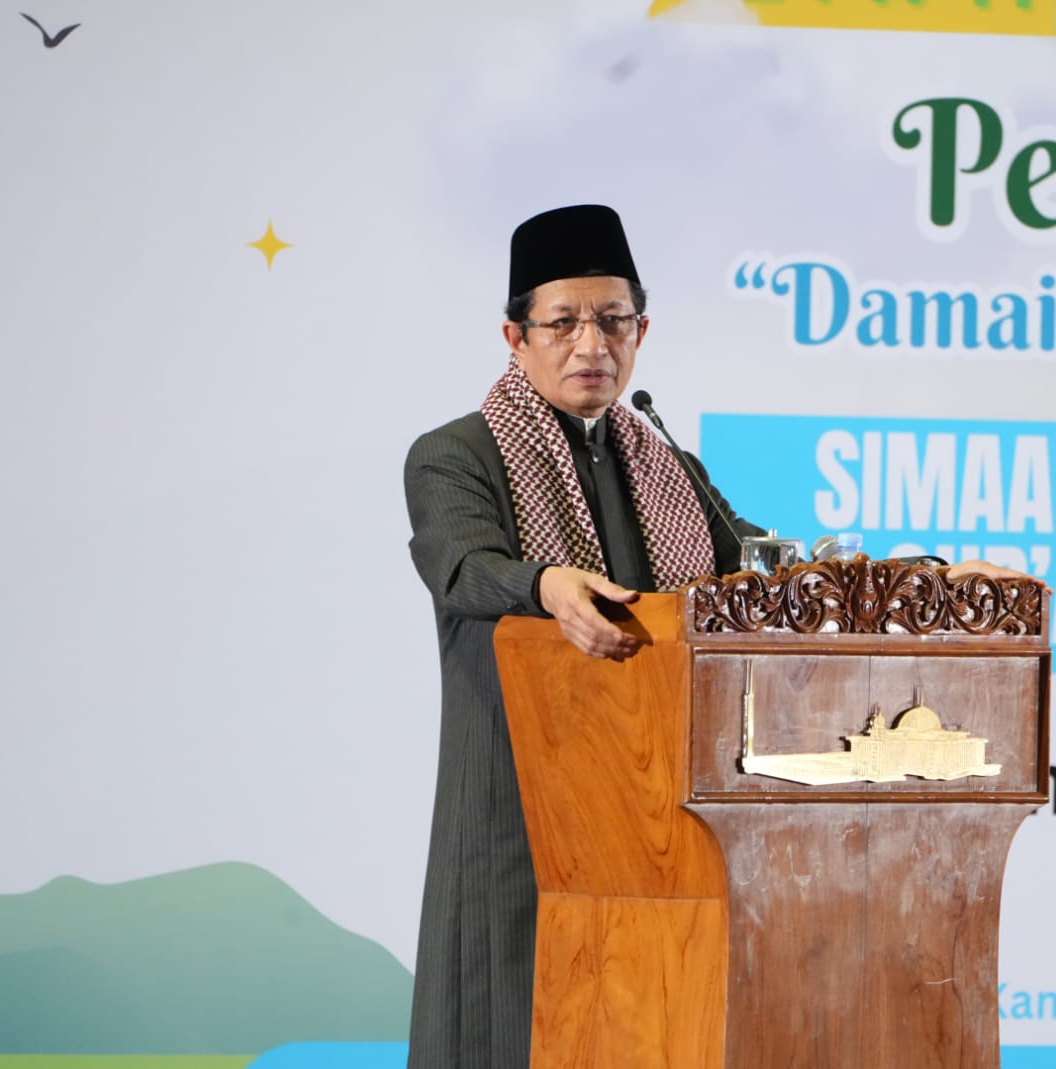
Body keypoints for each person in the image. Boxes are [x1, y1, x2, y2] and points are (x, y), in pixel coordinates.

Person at [401, 204, 760, 1068]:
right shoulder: (455, 456)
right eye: (563, 322)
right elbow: (461, 566)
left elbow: (749, 568)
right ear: (515, 336)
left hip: (653, 816)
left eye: (613, 319)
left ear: (643, 330)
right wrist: (544, 583)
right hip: (516, 807)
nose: (591, 344)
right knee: (505, 1025)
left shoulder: (674, 468)